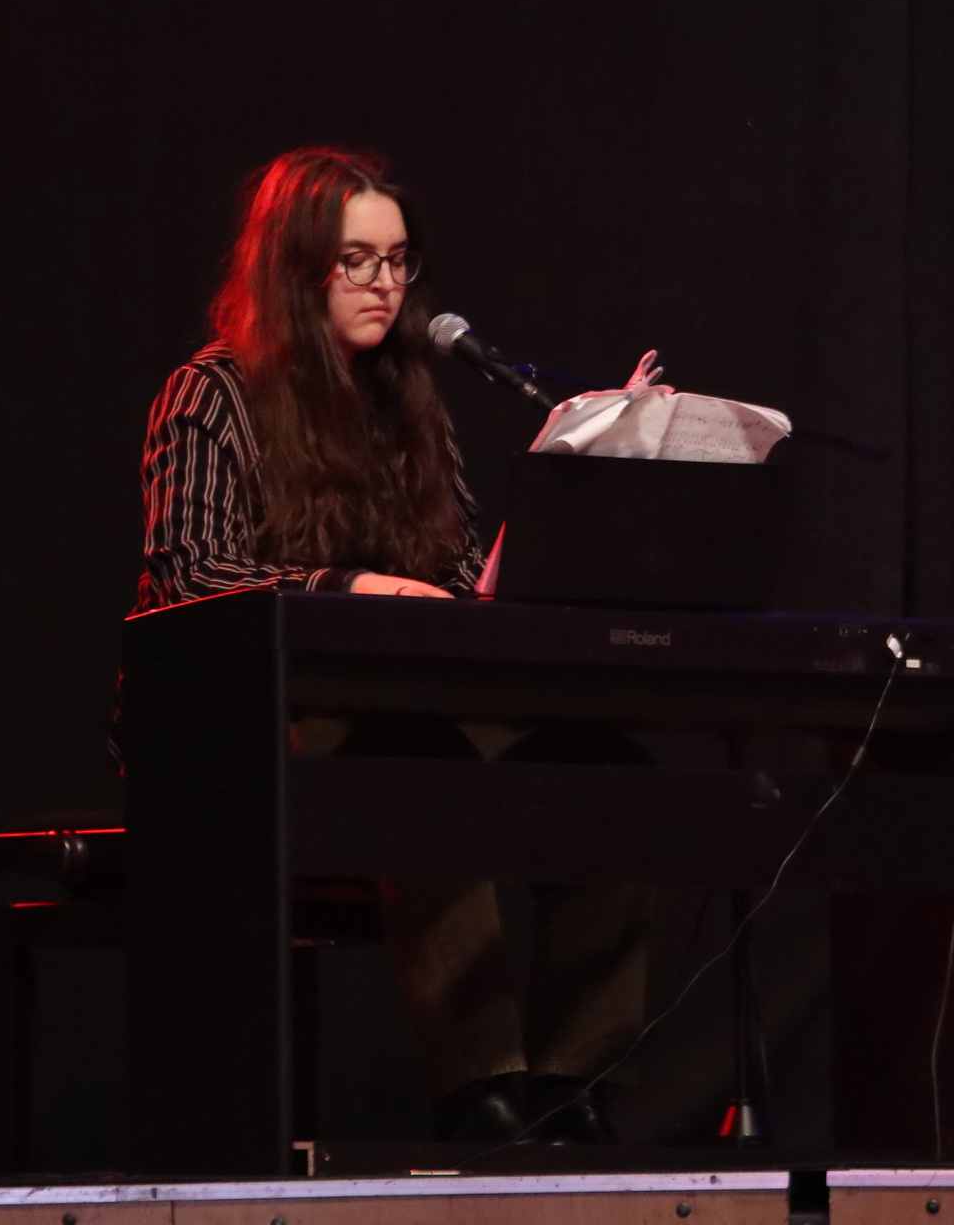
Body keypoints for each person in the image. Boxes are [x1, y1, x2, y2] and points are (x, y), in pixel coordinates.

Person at [132, 146, 647, 1143]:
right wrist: (344, 585)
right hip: (267, 719)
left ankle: (574, 1089)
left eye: (398, 260)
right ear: (295, 268)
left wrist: (545, 523)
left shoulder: (406, 399)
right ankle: (483, 1094)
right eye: (356, 260)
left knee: (608, 776)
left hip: (409, 699)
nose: (383, 283)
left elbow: (458, 573)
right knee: (420, 772)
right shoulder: (213, 394)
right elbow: (188, 576)